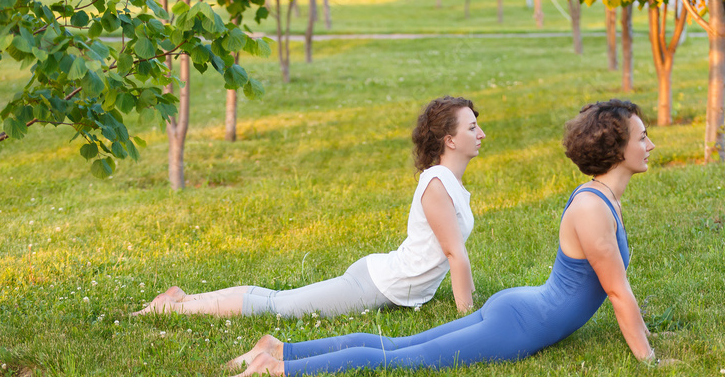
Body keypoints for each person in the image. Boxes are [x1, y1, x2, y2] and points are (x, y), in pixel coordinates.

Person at [223, 99, 655, 377]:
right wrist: (650, 361)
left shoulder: (602, 200)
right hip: (519, 323)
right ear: (617, 150)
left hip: (520, 309)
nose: (650, 144)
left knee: (397, 347)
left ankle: (280, 348)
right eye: (642, 137)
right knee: (400, 360)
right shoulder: (593, 207)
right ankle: (276, 368)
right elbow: (618, 293)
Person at [133, 96, 485, 318]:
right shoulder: (437, 185)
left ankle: (182, 298)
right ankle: (175, 307)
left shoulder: (448, 182)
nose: (481, 133)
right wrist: (468, 317)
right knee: (278, 307)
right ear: (450, 140)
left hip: (385, 280)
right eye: (472, 127)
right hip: (377, 285)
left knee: (278, 299)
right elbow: (456, 255)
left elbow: (452, 253)